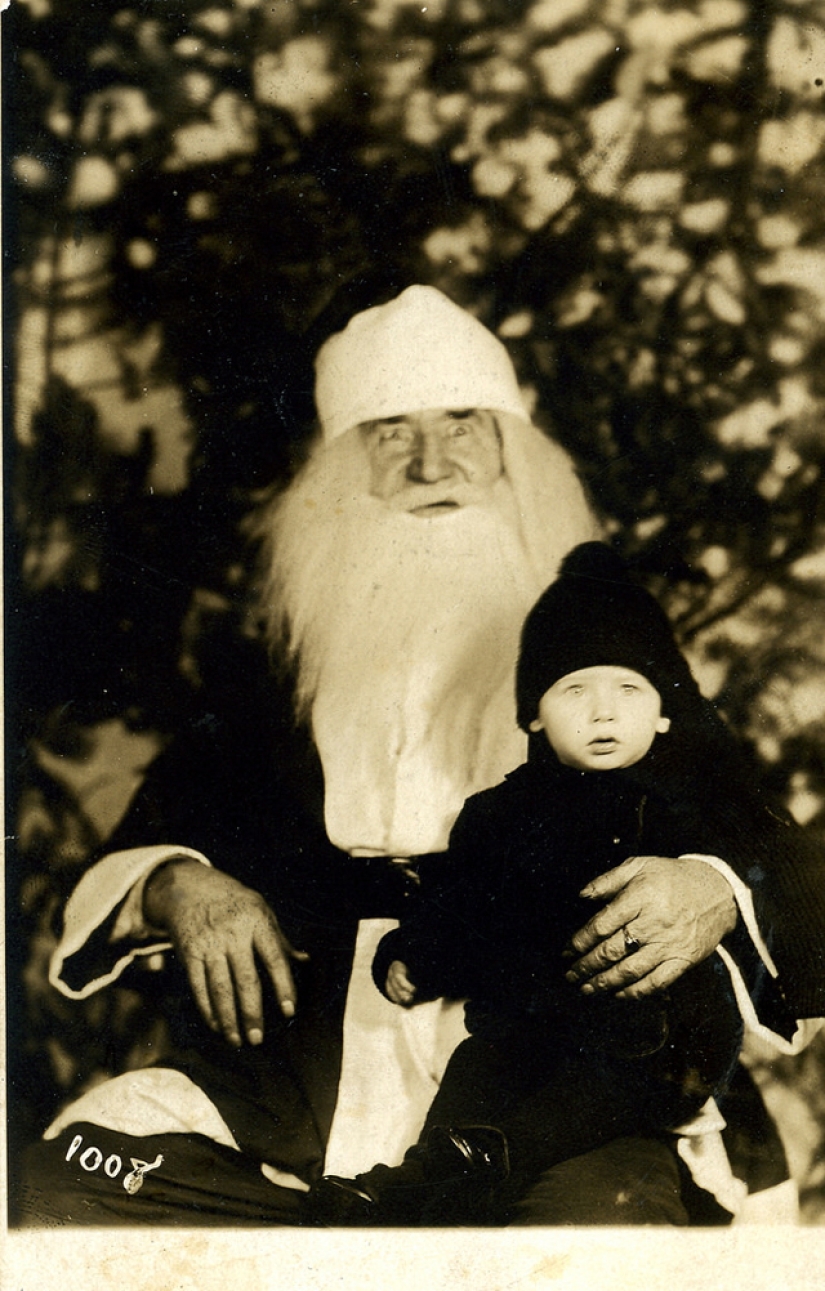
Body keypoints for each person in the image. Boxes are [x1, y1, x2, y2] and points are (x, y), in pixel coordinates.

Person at [15, 287, 823, 1227]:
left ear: (515, 454)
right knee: (62, 1187)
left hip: (550, 1050)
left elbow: (757, 831)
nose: (431, 462)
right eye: (390, 432)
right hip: (295, 1069)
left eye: (464, 426)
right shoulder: (278, 670)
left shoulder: (606, 658)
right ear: (340, 467)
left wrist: (711, 885)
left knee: (605, 1225)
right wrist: (182, 887)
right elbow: (159, 836)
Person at [308, 541, 807, 1225]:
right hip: (522, 1019)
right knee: (476, 1072)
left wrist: (708, 880)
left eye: (627, 689)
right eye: (575, 690)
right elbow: (458, 896)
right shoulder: (496, 811)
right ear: (534, 715)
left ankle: (484, 1157)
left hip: (651, 1026)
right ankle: (423, 1177)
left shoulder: (688, 804)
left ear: (665, 711)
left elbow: (768, 859)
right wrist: (413, 951)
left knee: (595, 1086)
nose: (602, 711)